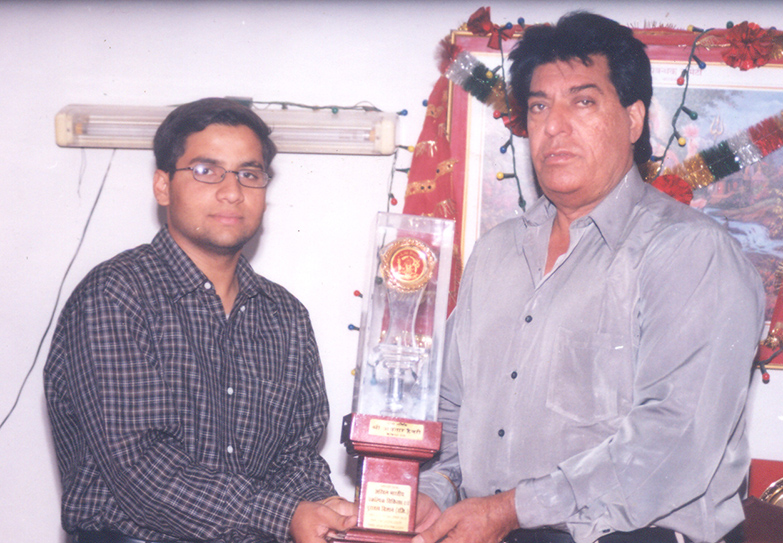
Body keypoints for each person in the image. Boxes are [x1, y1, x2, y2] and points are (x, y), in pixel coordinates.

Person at [414, 12, 765, 543]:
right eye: (539, 106)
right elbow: (451, 407)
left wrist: (512, 509)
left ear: (633, 119)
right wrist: (434, 492)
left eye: (582, 102)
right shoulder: (495, 253)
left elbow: (674, 442)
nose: (554, 126)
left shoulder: (690, 254)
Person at [44, 98, 356, 543]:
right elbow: (141, 468)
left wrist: (326, 508)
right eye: (207, 170)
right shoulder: (116, 294)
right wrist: (286, 516)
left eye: (249, 174)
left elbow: (294, 458)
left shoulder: (285, 316)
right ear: (163, 186)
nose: (232, 192)